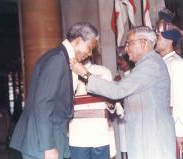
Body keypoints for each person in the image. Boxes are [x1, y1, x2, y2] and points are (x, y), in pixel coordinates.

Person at [70, 26, 176, 159]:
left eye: (129, 43)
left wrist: (85, 74)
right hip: (146, 135)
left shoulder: (151, 65)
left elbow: (118, 91)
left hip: (152, 138)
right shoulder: (145, 65)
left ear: (143, 43)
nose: (126, 50)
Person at [10, 22, 99, 159]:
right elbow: (43, 104)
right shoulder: (57, 59)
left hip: (53, 135)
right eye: (89, 48)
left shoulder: (63, 58)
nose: (90, 54)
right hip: (42, 142)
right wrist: (48, 146)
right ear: (78, 40)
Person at [69, 60, 116, 159]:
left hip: (100, 135)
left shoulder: (103, 72)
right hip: (77, 136)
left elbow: (111, 104)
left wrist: (111, 103)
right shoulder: (67, 73)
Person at [155, 27, 183, 159]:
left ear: (169, 41)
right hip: (160, 126)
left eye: (158, 37)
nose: (155, 40)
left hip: (172, 129)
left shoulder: (177, 64)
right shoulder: (161, 63)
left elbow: (179, 100)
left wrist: (179, 133)